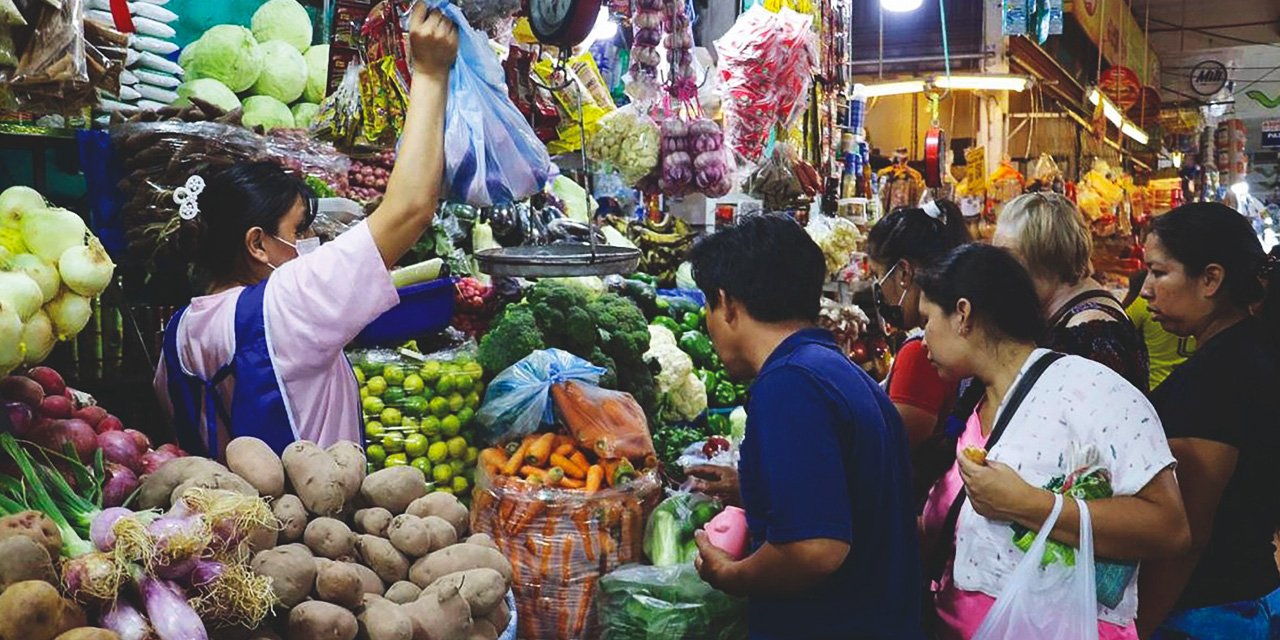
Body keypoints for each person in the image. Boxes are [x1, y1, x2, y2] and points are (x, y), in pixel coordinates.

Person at [153, 7, 459, 458]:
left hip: (223, 519)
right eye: (300, 230)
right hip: (310, 523)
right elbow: (411, 207)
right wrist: (431, 72)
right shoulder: (287, 305)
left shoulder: (178, 333)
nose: (310, 244)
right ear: (257, 243)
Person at [917, 243, 1189, 640]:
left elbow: (1169, 527)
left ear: (962, 314)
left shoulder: (1092, 391)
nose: (921, 338)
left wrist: (1029, 505)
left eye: (926, 319)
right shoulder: (973, 404)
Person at [688, 214, 922, 640]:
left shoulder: (789, 385)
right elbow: (853, 492)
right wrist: (755, 486)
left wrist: (733, 574)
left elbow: (815, 550)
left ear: (726, 303)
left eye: (707, 305)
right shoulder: (834, 370)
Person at [1135, 203, 1280, 640]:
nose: (1145, 290)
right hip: (1249, 594)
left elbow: (1188, 532)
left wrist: (1138, 627)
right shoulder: (1247, 349)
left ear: (1211, 279)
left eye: (1159, 273)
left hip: (1209, 613)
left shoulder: (1220, 375)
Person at [994, 192, 1149, 391]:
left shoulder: (1092, 335)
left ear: (1047, 257)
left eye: (1009, 259)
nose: (1000, 271)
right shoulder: (1075, 316)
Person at [867, 200, 970, 450]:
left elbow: (889, 445)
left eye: (877, 275)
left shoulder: (921, 353)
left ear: (903, 273)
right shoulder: (957, 335)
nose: (877, 287)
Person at [1123, 270, 1195, 390]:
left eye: (1156, 272)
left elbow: (1119, 327)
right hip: (1188, 385)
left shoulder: (1145, 304)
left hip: (1154, 385)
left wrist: (1131, 294)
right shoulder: (1201, 305)